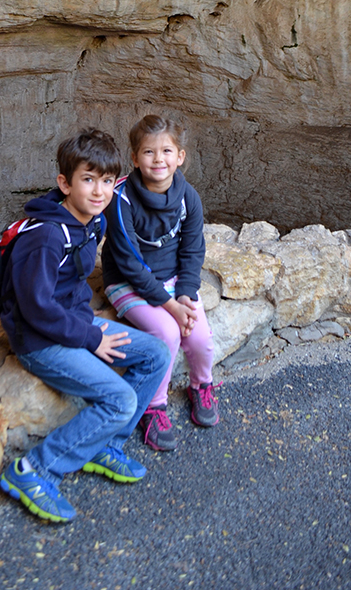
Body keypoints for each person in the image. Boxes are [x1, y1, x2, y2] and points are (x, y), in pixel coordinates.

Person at [0, 128, 171, 523]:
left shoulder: (91, 221)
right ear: (65, 182)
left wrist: (88, 327)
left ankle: (103, 445)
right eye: (88, 179)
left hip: (72, 324)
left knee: (157, 353)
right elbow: (36, 309)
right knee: (120, 400)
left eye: (107, 181)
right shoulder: (44, 236)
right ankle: (34, 470)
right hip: (40, 341)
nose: (99, 191)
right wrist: (91, 336)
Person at [102, 114, 218, 453]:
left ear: (180, 156)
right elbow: (130, 264)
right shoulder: (121, 199)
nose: (158, 159)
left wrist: (184, 293)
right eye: (148, 152)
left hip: (173, 283)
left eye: (167, 151)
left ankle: (202, 385)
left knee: (200, 340)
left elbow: (193, 248)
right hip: (127, 282)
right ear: (135, 158)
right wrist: (171, 307)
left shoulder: (187, 197)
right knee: (166, 334)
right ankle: (153, 406)